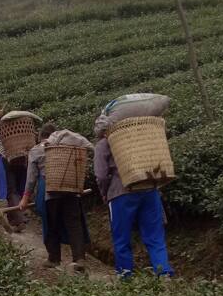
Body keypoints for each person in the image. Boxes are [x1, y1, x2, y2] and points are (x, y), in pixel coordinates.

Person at [93, 114, 174, 277]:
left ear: (100, 131)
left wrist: (104, 193)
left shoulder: (103, 144)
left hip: (121, 193)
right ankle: (164, 273)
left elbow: (101, 175)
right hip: (149, 188)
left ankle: (125, 276)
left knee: (121, 238)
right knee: (155, 236)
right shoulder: (135, 137)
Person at [19, 123, 88, 269]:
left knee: (51, 224)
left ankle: (54, 258)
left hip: (51, 192)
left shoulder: (37, 150)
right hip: (71, 190)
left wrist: (25, 197)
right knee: (74, 224)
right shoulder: (69, 148)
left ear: (40, 136)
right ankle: (79, 258)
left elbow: (31, 178)